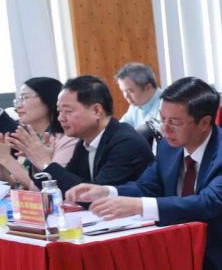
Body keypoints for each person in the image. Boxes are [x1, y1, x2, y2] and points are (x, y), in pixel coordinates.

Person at [66, 78, 222, 270]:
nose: (165, 128)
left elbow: (206, 204)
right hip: (180, 251)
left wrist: (137, 206)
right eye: (162, 119)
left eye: (174, 122)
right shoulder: (169, 147)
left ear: (204, 122)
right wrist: (107, 192)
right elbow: (146, 186)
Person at [25, 76, 153, 191]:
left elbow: (94, 195)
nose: (60, 118)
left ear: (96, 111)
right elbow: (64, 186)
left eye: (67, 111)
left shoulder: (125, 143)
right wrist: (40, 162)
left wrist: (46, 163)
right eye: (59, 111)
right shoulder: (85, 141)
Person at [1, 77, 77, 188]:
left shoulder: (66, 139)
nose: (18, 105)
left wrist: (7, 159)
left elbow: (50, 188)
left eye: (25, 97)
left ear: (49, 99)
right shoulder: (32, 138)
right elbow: (15, 185)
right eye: (19, 99)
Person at [115, 63, 162, 132]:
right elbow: (120, 128)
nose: (126, 96)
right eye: (123, 91)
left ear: (148, 88)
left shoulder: (166, 105)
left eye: (130, 91)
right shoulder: (136, 105)